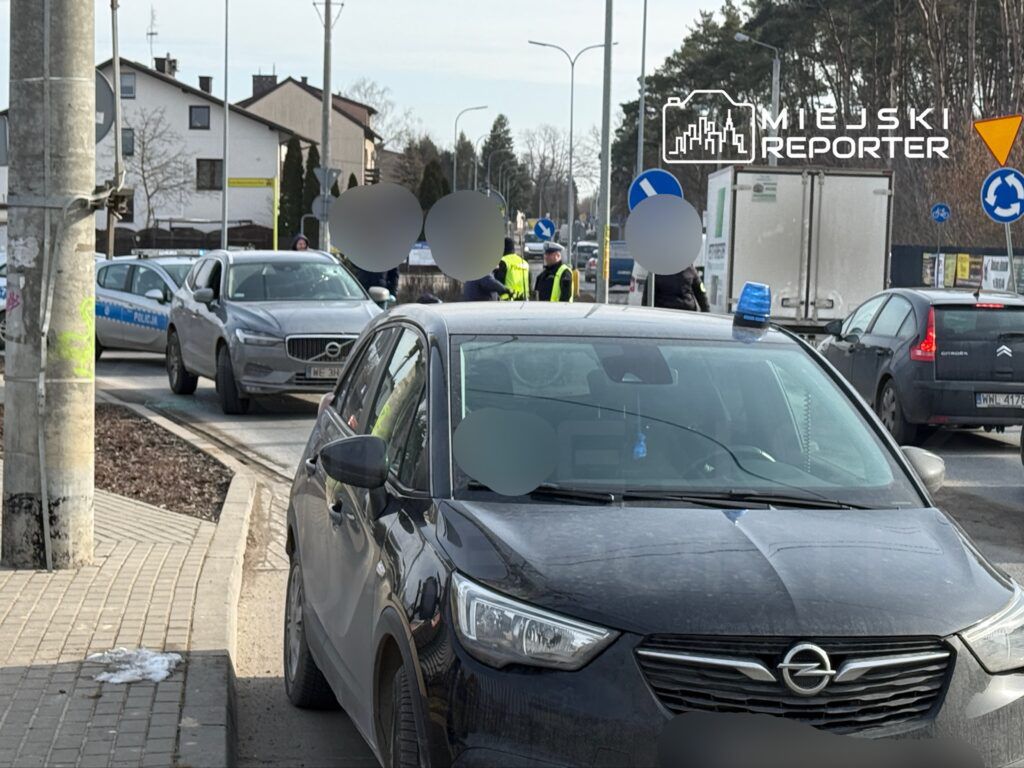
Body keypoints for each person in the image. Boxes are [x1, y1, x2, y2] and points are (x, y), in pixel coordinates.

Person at [494, 237, 530, 301]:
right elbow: (529, 282)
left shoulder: (503, 261)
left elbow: (498, 282)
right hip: (524, 300)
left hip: (508, 299)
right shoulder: (524, 263)